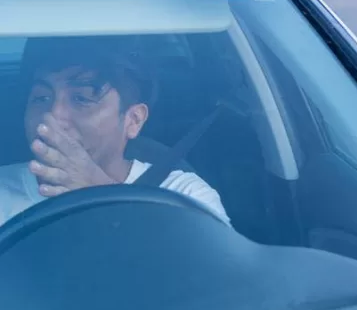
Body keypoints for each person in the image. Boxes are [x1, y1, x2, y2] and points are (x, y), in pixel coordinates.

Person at [0, 37, 230, 227]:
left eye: (81, 99)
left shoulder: (184, 196)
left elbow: (205, 270)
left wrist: (99, 196)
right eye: (41, 98)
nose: (51, 117)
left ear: (133, 120)